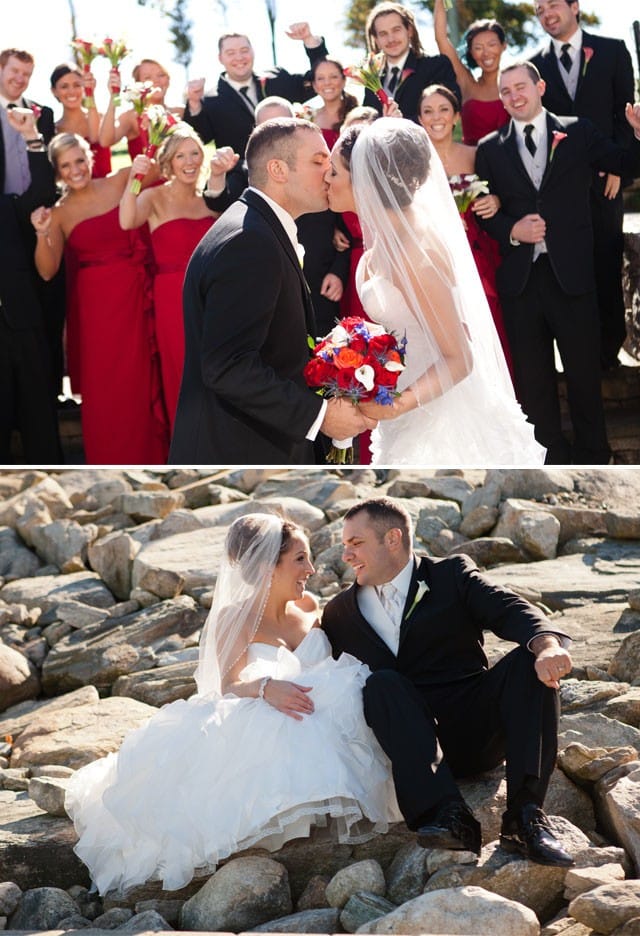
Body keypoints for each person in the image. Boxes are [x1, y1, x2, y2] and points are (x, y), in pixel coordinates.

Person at [65, 513, 400, 896]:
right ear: (267, 567)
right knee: (279, 726)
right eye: (300, 559)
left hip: (320, 706)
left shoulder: (310, 605)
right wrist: (266, 688)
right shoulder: (234, 618)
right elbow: (229, 684)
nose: (311, 568)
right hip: (262, 704)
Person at [322, 497, 574, 866]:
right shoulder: (340, 612)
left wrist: (547, 647)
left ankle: (525, 817)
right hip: (412, 748)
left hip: (477, 728)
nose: (345, 555)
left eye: (355, 543)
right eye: (344, 545)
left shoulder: (449, 575)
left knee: (526, 661)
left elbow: (510, 608)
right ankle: (450, 817)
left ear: (392, 539)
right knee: (382, 684)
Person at [324, 117, 544, 466]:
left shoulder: (415, 253)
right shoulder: (378, 246)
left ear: (365, 181)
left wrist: (398, 404)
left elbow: (460, 358)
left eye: (334, 171)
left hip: (442, 410)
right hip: (408, 397)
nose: (326, 179)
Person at [169, 117, 375, 465]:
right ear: (278, 169)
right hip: (238, 450)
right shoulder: (249, 242)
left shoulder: (254, 225)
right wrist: (320, 416)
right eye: (317, 161)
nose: (328, 172)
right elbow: (229, 367)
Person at [475, 62, 640, 464]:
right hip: (521, 282)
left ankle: (595, 456)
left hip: (574, 276)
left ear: (540, 86)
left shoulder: (579, 132)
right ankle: (550, 457)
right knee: (535, 385)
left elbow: (627, 166)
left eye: (521, 87)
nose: (514, 96)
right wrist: (513, 229)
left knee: (584, 378)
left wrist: (637, 134)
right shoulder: (489, 149)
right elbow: (485, 211)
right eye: (506, 91)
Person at [30, 133, 169, 465]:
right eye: (66, 166)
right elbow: (47, 271)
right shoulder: (60, 213)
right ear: (58, 171)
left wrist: (144, 154)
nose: (75, 170)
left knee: (146, 378)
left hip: (140, 293)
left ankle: (159, 454)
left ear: (89, 158)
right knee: (110, 386)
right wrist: (41, 232)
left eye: (80, 160)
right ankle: (114, 454)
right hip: (98, 308)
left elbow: (164, 167)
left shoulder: (121, 180)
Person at [530, 0, 636, 370]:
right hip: (559, 189)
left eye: (553, 5)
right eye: (539, 10)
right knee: (567, 269)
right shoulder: (534, 65)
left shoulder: (612, 50)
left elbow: (625, 115)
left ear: (575, 6)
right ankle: (574, 357)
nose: (546, 14)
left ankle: (610, 355)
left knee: (606, 263)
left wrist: (620, 167)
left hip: (607, 182)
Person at [119, 124, 218, 430]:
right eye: (180, 155)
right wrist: (134, 179)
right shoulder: (154, 197)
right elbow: (126, 220)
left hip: (212, 297)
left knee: (215, 370)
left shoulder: (211, 198)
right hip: (172, 296)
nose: (189, 161)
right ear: (169, 162)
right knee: (182, 369)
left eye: (194, 153)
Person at [418, 84, 512, 374]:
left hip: (478, 255)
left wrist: (496, 199)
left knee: (487, 326)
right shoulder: (413, 163)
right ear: (420, 119)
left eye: (444, 109)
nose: (437, 117)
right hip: (432, 259)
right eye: (428, 111)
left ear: (456, 116)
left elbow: (506, 192)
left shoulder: (477, 154)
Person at [0, 91, 61, 463]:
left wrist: (30, 138)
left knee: (40, 421)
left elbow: (42, 191)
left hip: (22, 320)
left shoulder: (7, 205)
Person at [183, 23, 328, 157]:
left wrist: (309, 40)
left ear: (253, 52)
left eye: (244, 50)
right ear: (220, 58)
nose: (239, 57)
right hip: (241, 179)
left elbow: (321, 80)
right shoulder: (210, 101)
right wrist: (194, 103)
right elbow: (199, 138)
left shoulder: (277, 78)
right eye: (231, 53)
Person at [362, 2, 460, 120]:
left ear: (409, 31)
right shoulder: (372, 78)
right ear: (376, 40)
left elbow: (450, 110)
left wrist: (401, 123)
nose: (391, 39)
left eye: (396, 30)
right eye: (383, 34)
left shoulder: (437, 66)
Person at [433, 0, 509, 145]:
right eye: (478, 47)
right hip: (471, 163)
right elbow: (441, 38)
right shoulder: (467, 84)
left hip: (510, 164)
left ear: (503, 46)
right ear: (471, 53)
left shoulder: (515, 83)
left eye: (492, 45)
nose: (486, 53)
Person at [99, 57, 180, 163]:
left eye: (161, 75)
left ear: (168, 80)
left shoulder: (180, 112)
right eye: (147, 78)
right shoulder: (130, 117)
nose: (156, 80)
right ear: (138, 84)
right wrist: (113, 96)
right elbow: (105, 141)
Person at [50, 63, 111, 178]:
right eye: (64, 86)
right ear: (54, 91)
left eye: (77, 85)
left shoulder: (101, 119)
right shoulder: (54, 131)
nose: (71, 91)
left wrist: (91, 94)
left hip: (107, 192)